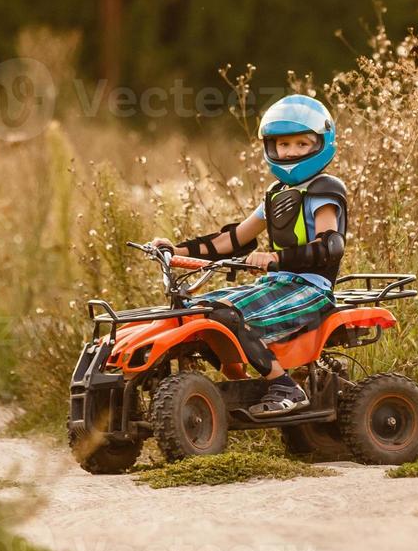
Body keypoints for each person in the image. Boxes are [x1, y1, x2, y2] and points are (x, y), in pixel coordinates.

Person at [148, 94, 348, 417]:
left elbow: (330, 246)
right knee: (200, 309)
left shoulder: (323, 191)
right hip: (278, 284)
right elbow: (233, 240)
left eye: (301, 144)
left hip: (310, 289)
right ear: (271, 147)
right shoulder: (276, 193)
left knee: (229, 315)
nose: (291, 152)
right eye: (283, 145)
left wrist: (275, 259)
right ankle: (239, 384)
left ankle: (285, 386)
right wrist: (176, 249)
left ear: (321, 143)